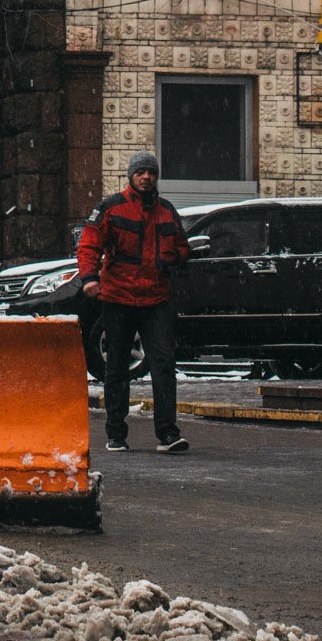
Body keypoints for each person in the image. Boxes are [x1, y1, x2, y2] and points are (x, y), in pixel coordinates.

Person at [77, 151, 192, 454]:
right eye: (141, 172)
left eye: (151, 173)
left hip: (157, 299)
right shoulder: (111, 209)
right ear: (131, 176)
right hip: (119, 298)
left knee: (164, 364)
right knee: (116, 366)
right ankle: (116, 433)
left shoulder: (168, 212)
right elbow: (89, 244)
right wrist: (89, 277)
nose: (146, 177)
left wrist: (178, 258)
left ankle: (168, 434)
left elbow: (182, 247)